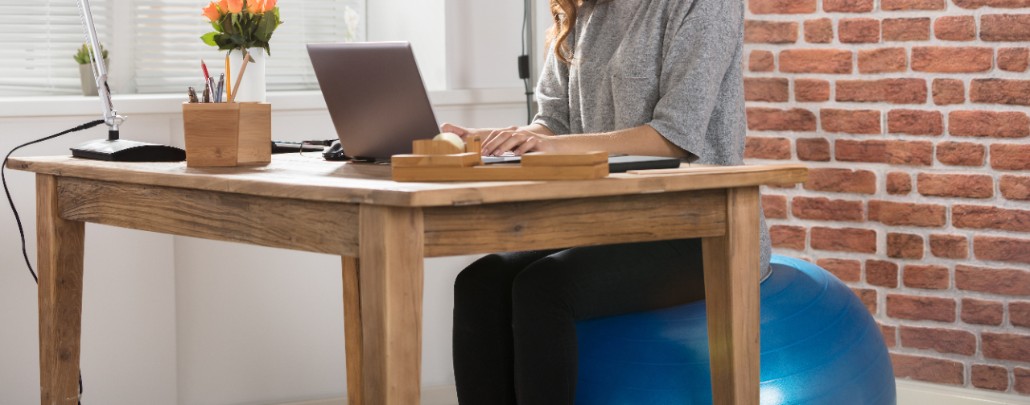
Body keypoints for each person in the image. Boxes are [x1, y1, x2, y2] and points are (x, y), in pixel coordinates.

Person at [444, 0, 770, 403]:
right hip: (611, 226)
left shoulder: (704, 5)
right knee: (479, 281)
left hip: (702, 231)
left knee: (544, 289)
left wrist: (550, 145)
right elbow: (554, 123)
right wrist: (492, 140)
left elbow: (673, 137)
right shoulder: (587, 9)